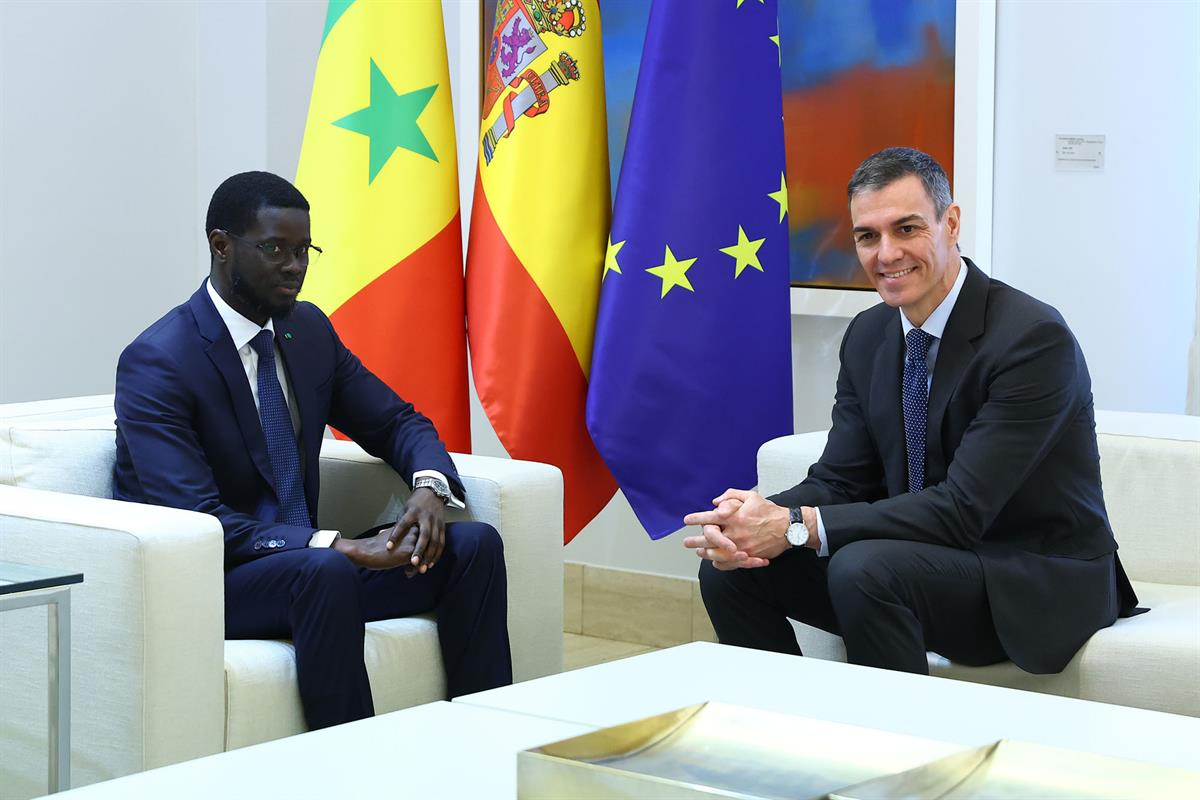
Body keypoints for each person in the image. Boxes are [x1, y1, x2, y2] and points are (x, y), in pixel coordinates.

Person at [685, 147, 1140, 675]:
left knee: (865, 568)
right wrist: (753, 520)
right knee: (734, 571)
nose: (886, 254)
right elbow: (842, 479)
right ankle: (789, 737)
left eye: (906, 229)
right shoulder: (869, 334)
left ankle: (899, 752)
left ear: (951, 224)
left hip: (1030, 576)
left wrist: (794, 525)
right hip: (920, 561)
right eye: (867, 236)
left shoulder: (1032, 340)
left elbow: (964, 509)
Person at [114, 171, 511, 729]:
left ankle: (486, 740)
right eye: (276, 248)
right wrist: (339, 546)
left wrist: (427, 489)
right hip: (220, 580)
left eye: (304, 250)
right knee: (324, 571)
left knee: (471, 545)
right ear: (221, 246)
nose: (294, 266)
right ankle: (350, 771)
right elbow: (199, 520)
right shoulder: (159, 361)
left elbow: (398, 421)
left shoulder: (308, 331)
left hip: (317, 573)